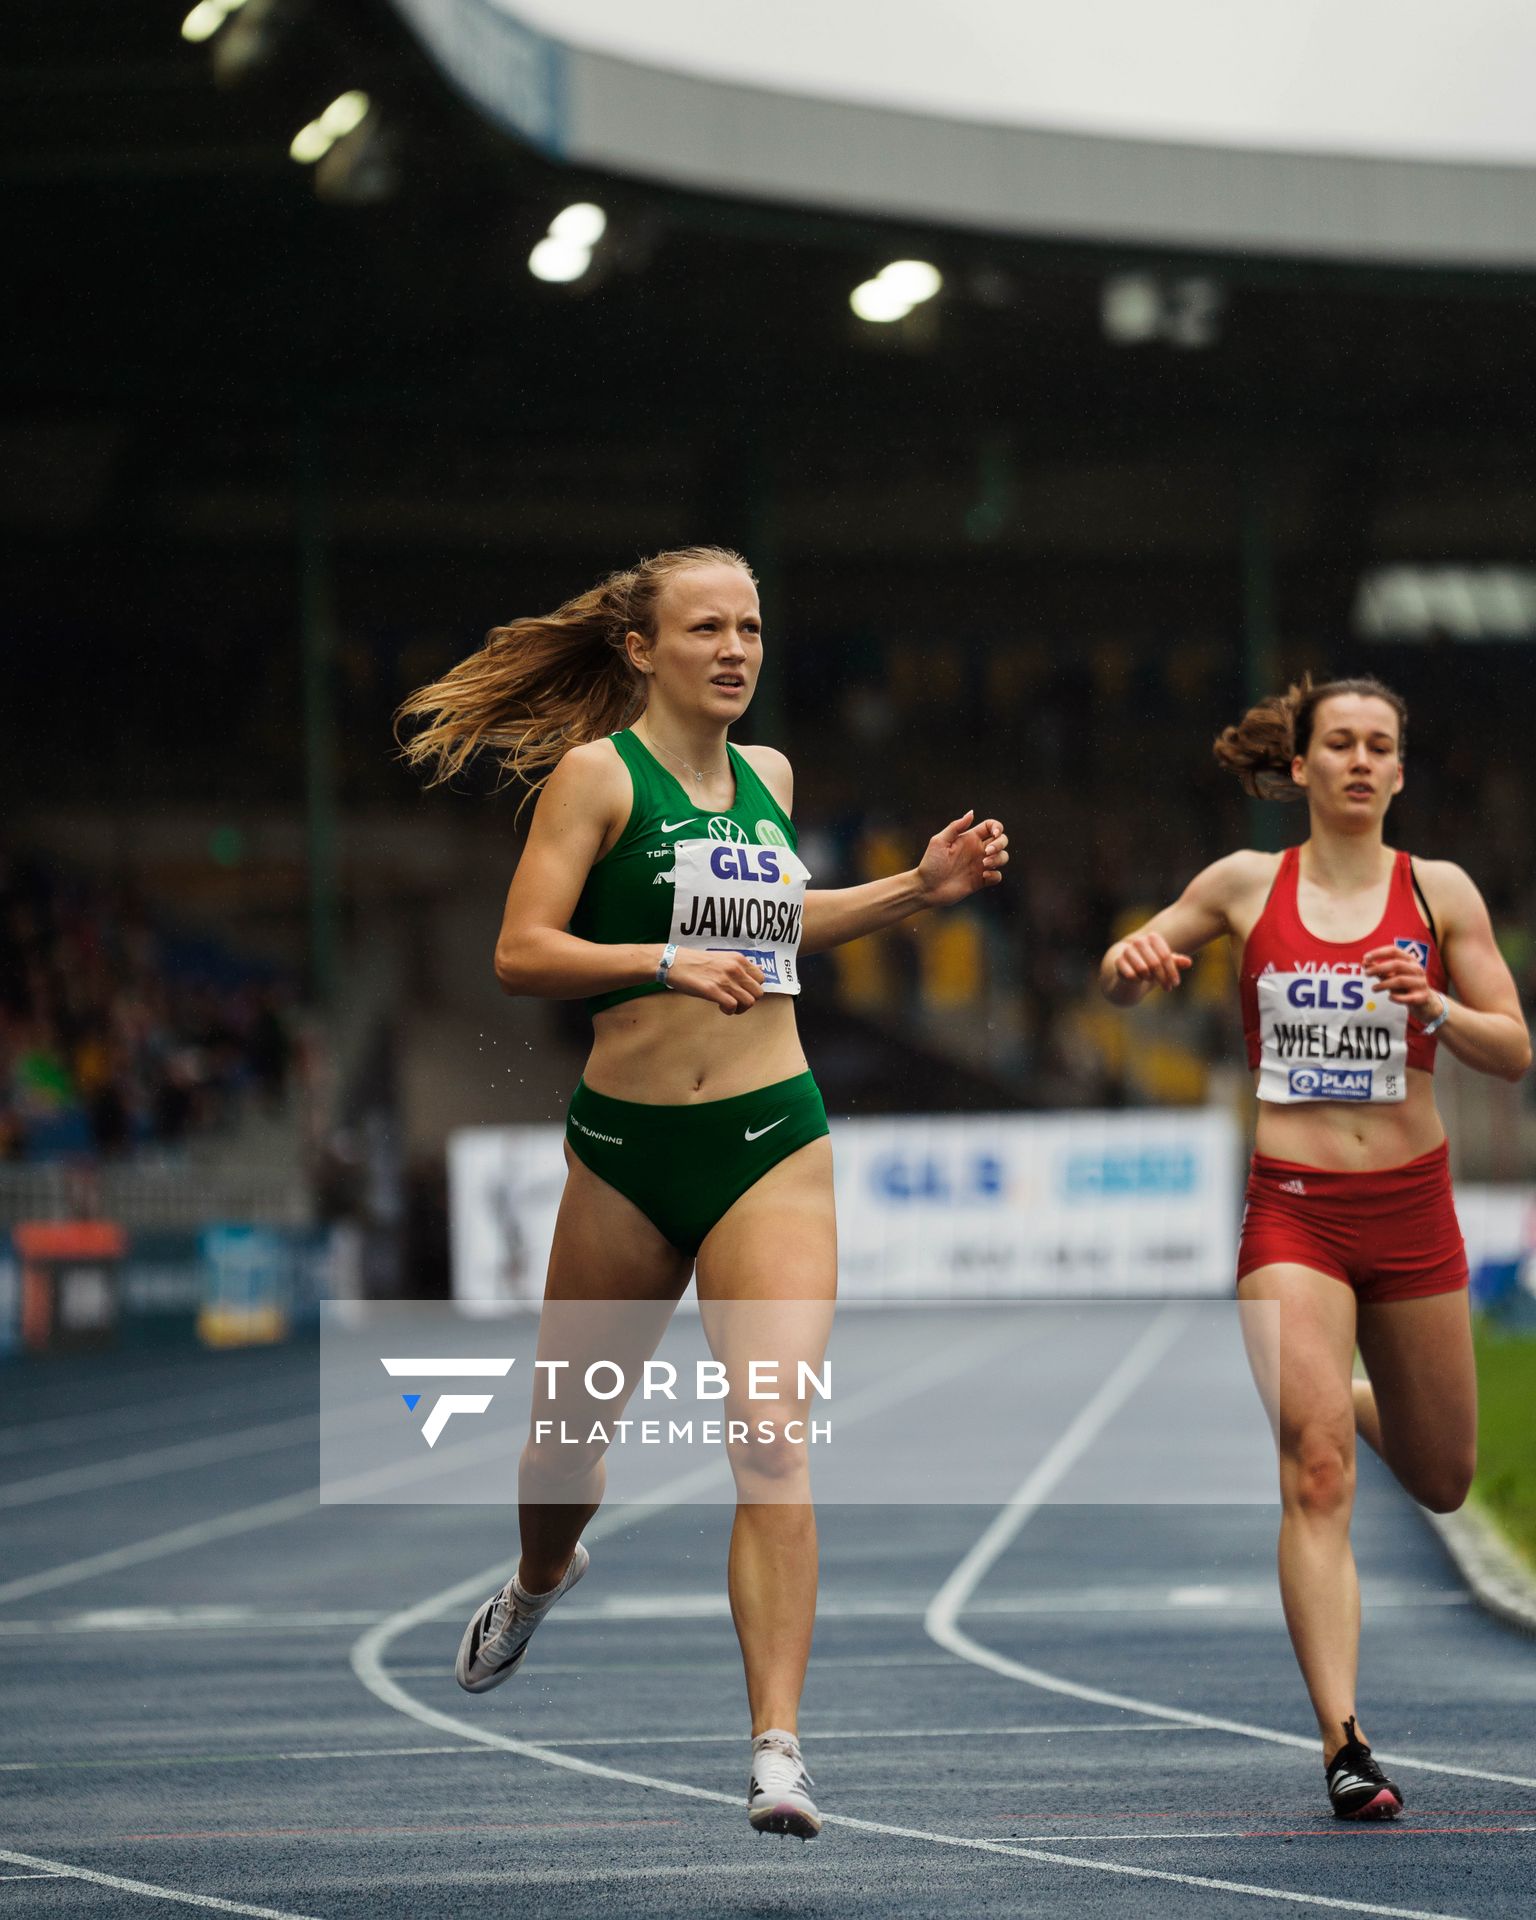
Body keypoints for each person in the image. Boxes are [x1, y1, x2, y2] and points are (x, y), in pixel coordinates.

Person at [397, 545, 1008, 1839]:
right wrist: (667, 961)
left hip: (769, 1142)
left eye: (752, 628)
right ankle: (538, 1577)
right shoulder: (593, 780)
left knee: (771, 1432)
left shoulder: (769, 778)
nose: (736, 650)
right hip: (626, 1155)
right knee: (566, 1447)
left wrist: (918, 890)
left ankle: (776, 1749)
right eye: (708, 629)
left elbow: (785, 922)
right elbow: (522, 952)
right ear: (641, 648)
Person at [1098, 675, 1529, 1821]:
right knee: (1318, 1466)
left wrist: (1434, 1006)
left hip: (1412, 1209)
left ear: (1398, 771)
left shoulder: (1438, 895)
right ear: (1299, 767)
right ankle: (1345, 1741)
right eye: (1335, 742)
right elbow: (1124, 964)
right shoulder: (1246, 885)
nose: (1355, 760)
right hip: (1293, 1211)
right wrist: (1132, 971)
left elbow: (1514, 1049)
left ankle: (1335, 1386)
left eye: (1377, 745)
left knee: (1441, 1478)